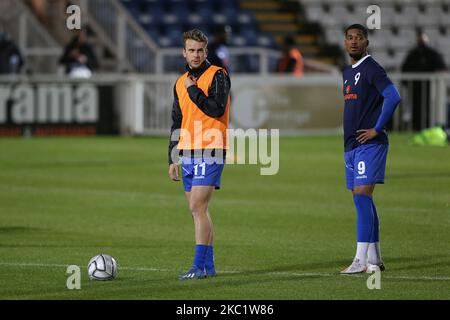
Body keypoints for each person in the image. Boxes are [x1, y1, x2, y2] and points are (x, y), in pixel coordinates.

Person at [167, 29, 231, 280]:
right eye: (190, 50)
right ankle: (208, 266)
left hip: (212, 146)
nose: (195, 55)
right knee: (197, 211)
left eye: (199, 50)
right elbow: (176, 122)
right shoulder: (180, 82)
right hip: (188, 150)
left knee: (197, 206)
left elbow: (216, 109)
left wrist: (193, 90)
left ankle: (197, 267)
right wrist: (172, 158)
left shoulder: (218, 75)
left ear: (206, 52)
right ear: (184, 52)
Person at [340, 24, 401, 274]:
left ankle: (360, 260)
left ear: (367, 42)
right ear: (345, 43)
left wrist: (377, 128)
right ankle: (374, 259)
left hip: (370, 144)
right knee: (362, 198)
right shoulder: (347, 71)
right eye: (350, 38)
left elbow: (393, 96)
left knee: (362, 197)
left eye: (359, 38)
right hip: (351, 146)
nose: (354, 42)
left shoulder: (372, 68)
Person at [401, 32, 446, 131]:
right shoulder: (412, 54)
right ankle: (417, 128)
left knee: (429, 107)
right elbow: (405, 69)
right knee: (416, 108)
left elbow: (442, 67)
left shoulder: (433, 54)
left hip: (430, 88)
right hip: (415, 88)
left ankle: (429, 127)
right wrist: (406, 84)